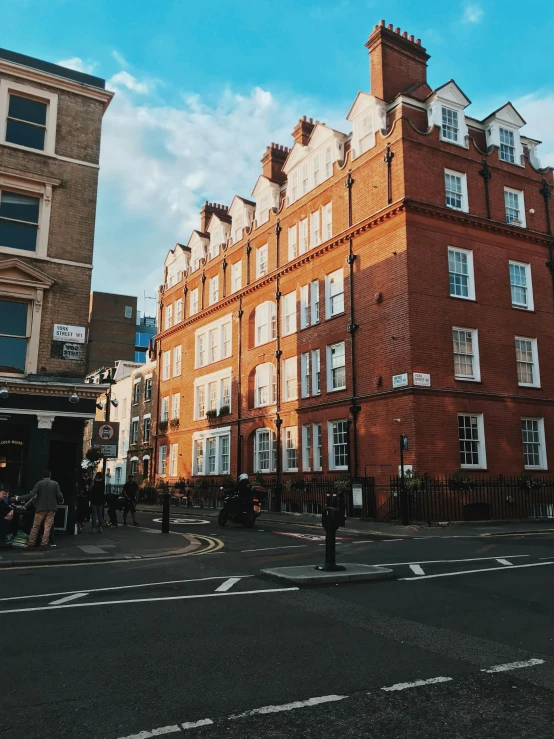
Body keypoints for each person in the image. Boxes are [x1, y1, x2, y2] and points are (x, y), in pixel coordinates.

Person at [15, 470, 63, 551]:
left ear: (42, 476)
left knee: (35, 527)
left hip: (40, 508)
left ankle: (31, 544)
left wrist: (18, 498)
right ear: (50, 475)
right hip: (51, 508)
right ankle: (44, 545)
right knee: (47, 527)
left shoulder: (39, 483)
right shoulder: (55, 484)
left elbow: (31, 495)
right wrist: (61, 501)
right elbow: (59, 495)